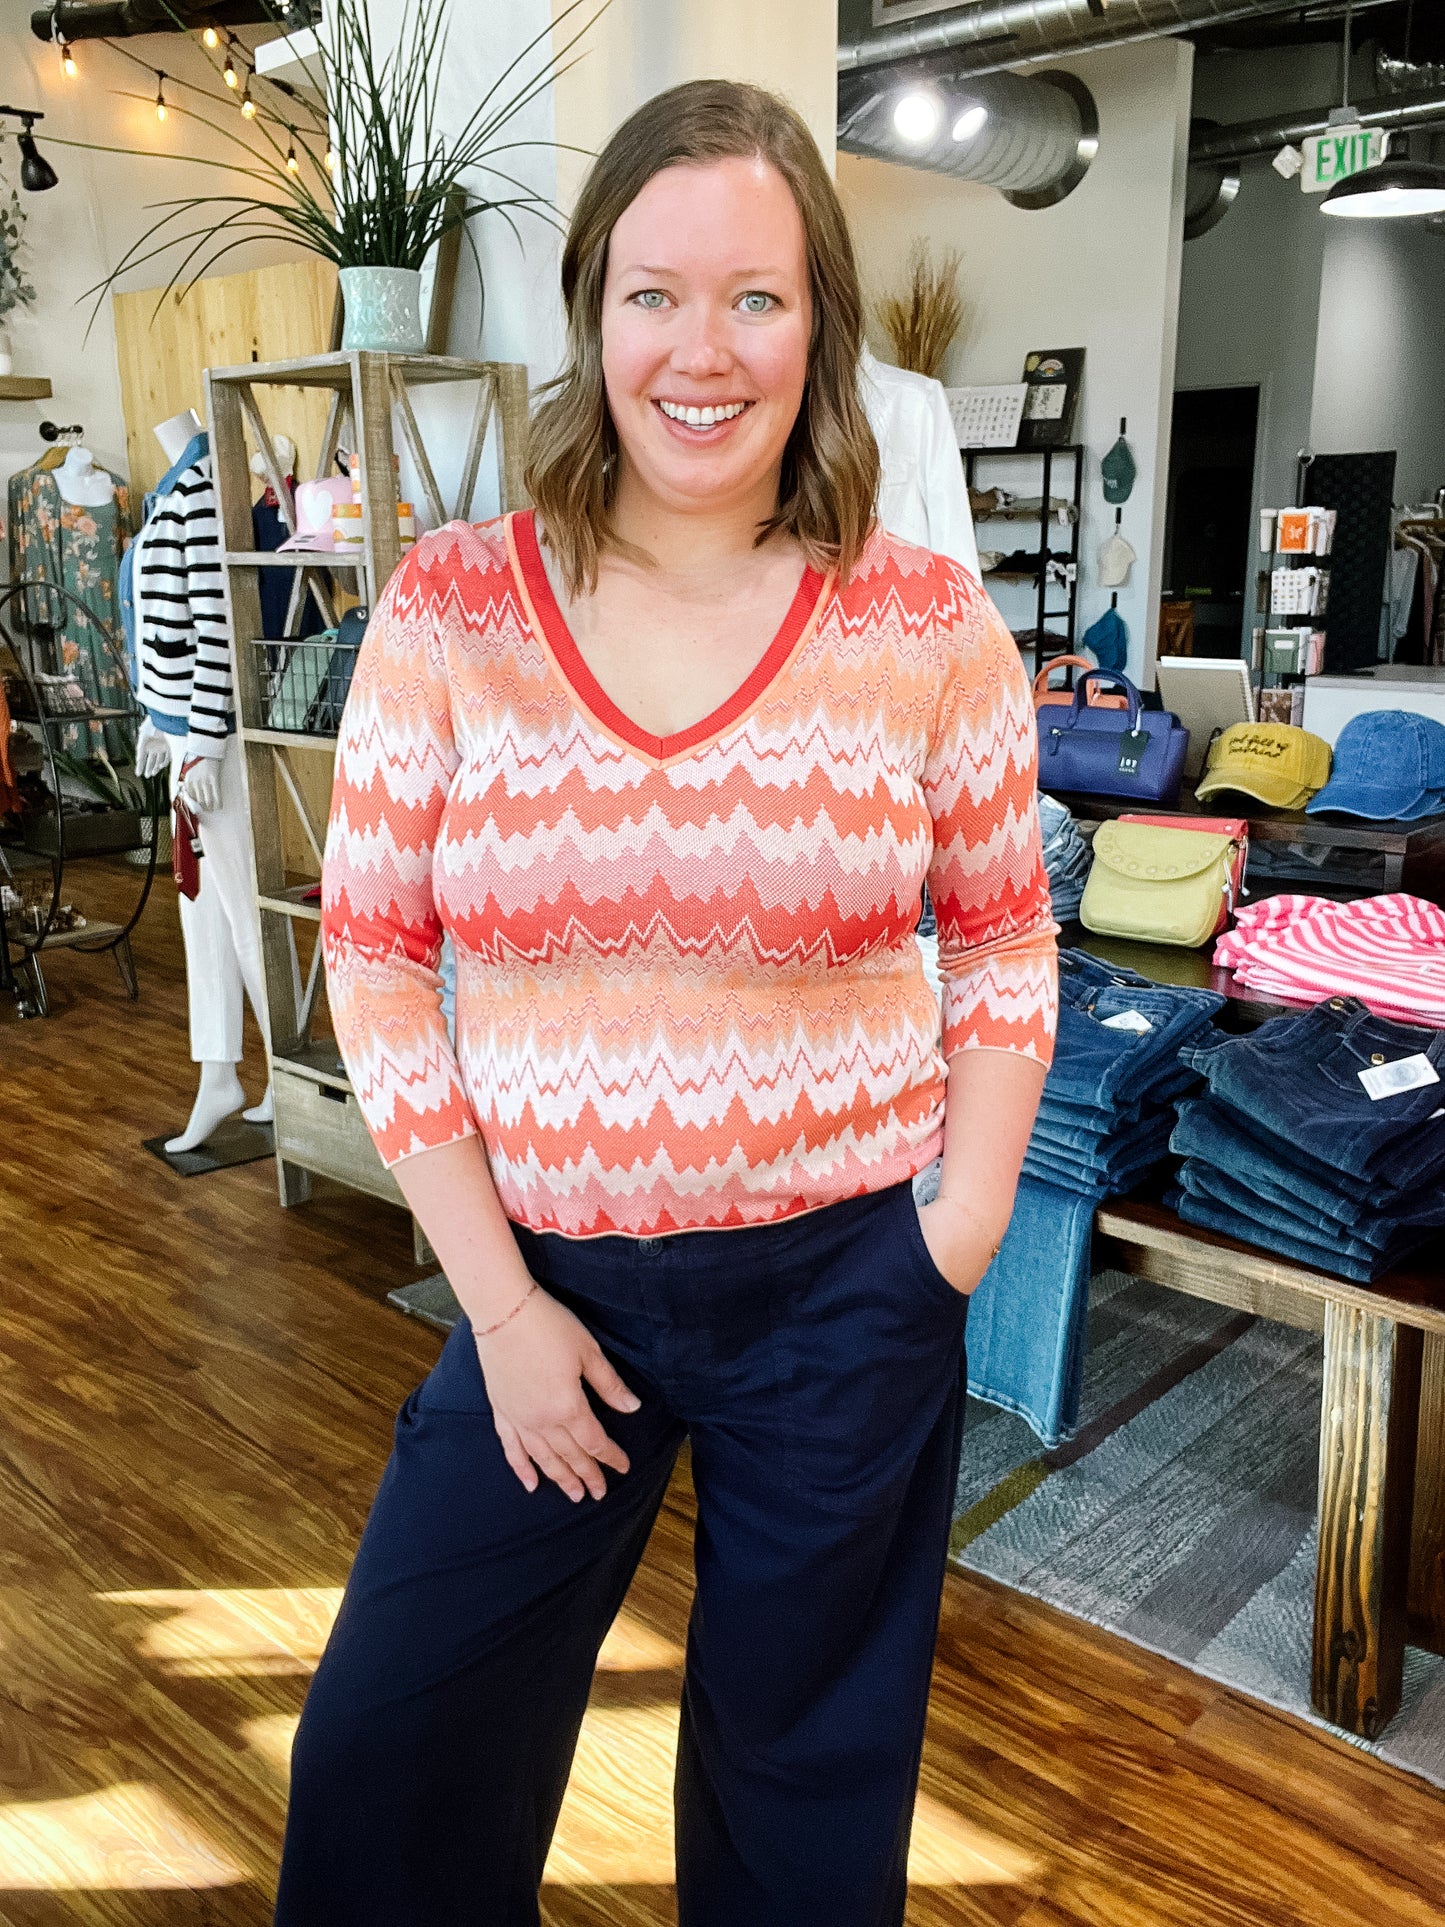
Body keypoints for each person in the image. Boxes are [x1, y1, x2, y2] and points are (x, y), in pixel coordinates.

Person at [281, 78, 1057, 1927]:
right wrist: (503, 1310)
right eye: (654, 294)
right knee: (391, 1761)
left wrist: (954, 1231)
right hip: (547, 1288)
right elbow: (374, 953)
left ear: (819, 327)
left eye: (756, 298)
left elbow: (1009, 940)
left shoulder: (926, 626)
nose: (700, 350)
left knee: (803, 1789)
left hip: (848, 1287)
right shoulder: (454, 605)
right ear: (591, 312)